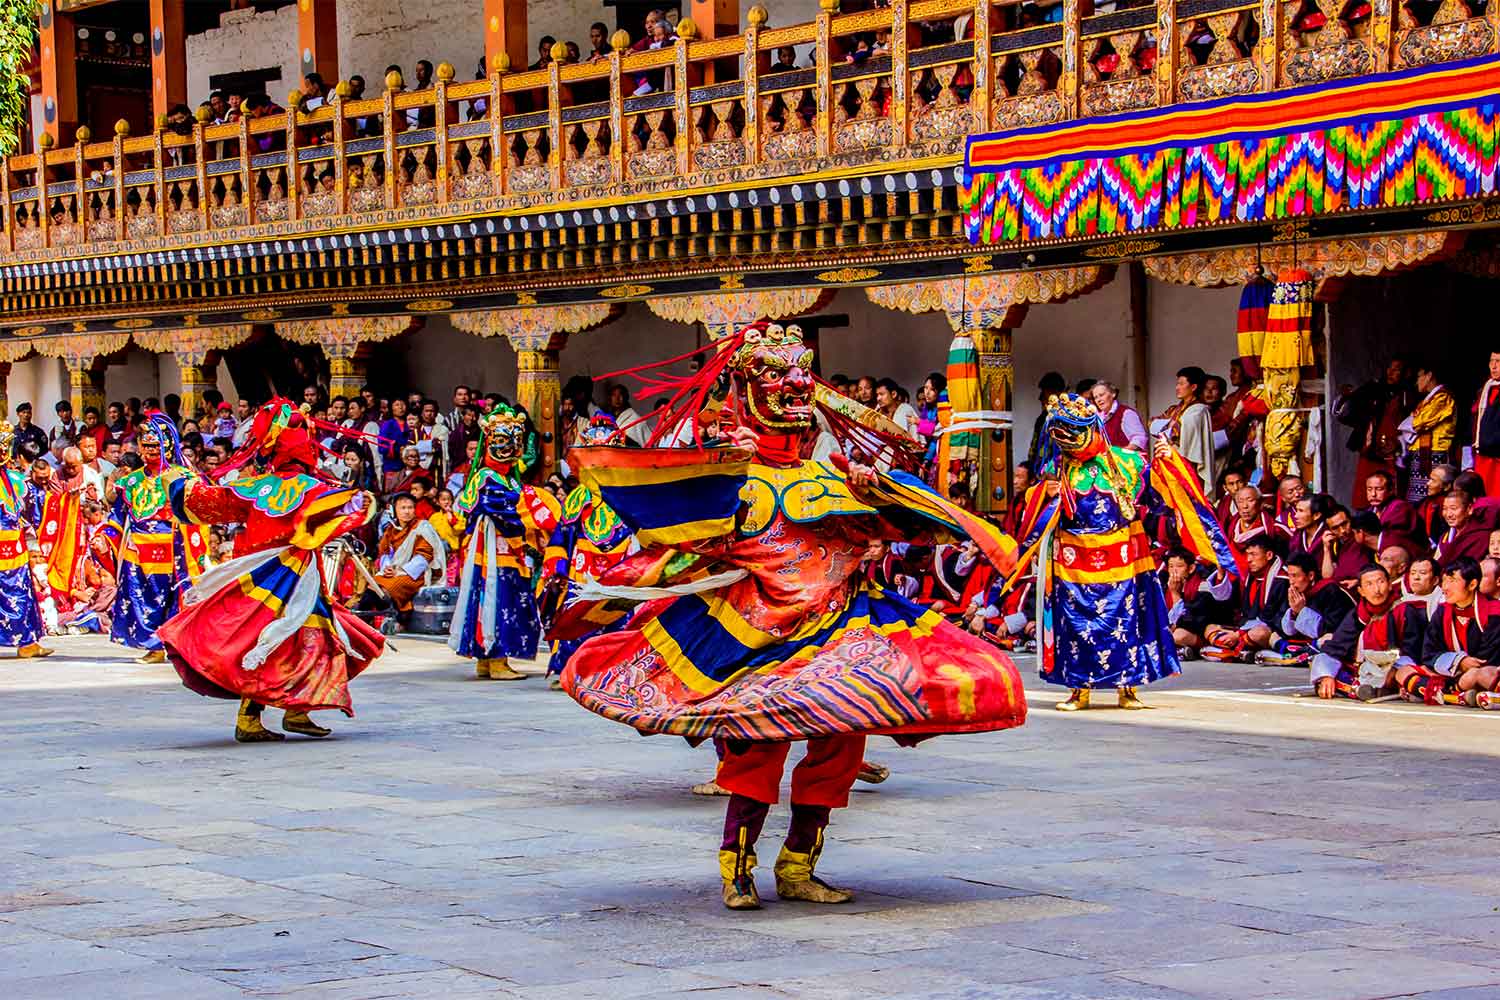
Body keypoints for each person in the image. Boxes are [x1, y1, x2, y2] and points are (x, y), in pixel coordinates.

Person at [560, 321, 1027, 910]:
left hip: (841, 632)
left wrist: (877, 492)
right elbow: (680, 551)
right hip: (759, 636)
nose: (797, 384)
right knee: (759, 750)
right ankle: (737, 869)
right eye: (777, 374)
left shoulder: (833, 475)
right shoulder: (731, 480)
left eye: (802, 371)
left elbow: (904, 530)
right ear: (747, 388)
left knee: (841, 744)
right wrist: (611, 590)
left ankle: (799, 865)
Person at [160, 400, 385, 742]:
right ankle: (257, 717)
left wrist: (182, 483)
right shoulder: (311, 488)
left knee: (275, 640)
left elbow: (209, 502)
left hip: (265, 579)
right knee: (292, 641)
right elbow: (343, 509)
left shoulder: (253, 487)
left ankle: (295, 710)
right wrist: (360, 501)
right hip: (289, 577)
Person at [1020, 393, 1237, 708]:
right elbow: (1039, 507)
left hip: (1122, 561)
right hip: (1073, 563)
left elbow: (1159, 501)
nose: (1068, 440)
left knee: (1126, 624)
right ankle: (1079, 690)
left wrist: (1168, 461)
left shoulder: (1128, 462)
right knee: (1076, 629)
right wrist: (1044, 493)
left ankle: (1128, 689)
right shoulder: (1058, 466)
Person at [449, 403, 560, 681]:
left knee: (501, 599)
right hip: (494, 551)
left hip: (505, 551)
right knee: (497, 599)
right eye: (501, 441)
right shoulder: (486, 477)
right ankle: (496, 660)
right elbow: (503, 509)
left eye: (514, 442)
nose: (509, 448)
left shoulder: (506, 479)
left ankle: (487, 661)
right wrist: (534, 509)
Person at [102, 413, 211, 662]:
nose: (150, 450)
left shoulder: (184, 477)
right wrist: (104, 538)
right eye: (146, 445)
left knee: (173, 600)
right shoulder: (130, 481)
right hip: (138, 553)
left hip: (173, 551)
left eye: (155, 445)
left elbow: (197, 514)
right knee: (140, 600)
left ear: (168, 446)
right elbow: (117, 517)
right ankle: (153, 646)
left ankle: (174, 645)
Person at [1309, 564, 1427, 700]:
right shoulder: (1357, 614)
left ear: (1390, 585)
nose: (1376, 589)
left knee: (1404, 675)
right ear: (1361, 591)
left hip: (1392, 669)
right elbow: (1336, 647)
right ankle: (1360, 688)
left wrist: (1393, 670)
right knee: (1325, 669)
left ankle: (1361, 688)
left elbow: (1413, 652)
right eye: (1369, 584)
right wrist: (1326, 675)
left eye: (1380, 582)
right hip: (1361, 669)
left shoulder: (1404, 611)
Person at [1412, 557, 1500, 705]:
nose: (1445, 587)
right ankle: (1459, 694)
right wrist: (1459, 662)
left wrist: (1462, 667)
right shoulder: (1442, 612)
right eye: (1444, 581)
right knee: (1404, 670)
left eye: (1452, 581)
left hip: (1483, 672)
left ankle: (1450, 694)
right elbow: (1428, 653)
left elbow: (1485, 661)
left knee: (1481, 674)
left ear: (1472, 584)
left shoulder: (1494, 612)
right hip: (1454, 673)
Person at [0, 422, 52, 657]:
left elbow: (27, 517)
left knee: (21, 595)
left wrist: (32, 545)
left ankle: (28, 643)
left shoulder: (16, 480)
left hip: (15, 549)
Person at [1336, 357, 1411, 507]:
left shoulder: (1407, 395)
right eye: (1389, 368)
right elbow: (1347, 414)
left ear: (1405, 373)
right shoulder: (1373, 388)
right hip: (1371, 448)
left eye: (1396, 370)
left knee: (1391, 487)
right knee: (1367, 485)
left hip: (1393, 449)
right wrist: (1348, 397)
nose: (1391, 372)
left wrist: (1399, 443)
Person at [1203, 534, 1288, 661]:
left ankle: (1232, 651)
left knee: (1259, 634)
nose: (1248, 560)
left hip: (1268, 629)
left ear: (1269, 555)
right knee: (1209, 628)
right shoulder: (1249, 577)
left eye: (1254, 554)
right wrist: (1221, 573)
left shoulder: (1281, 579)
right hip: (1244, 629)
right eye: (1247, 554)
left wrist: (1238, 634)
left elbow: (1269, 617)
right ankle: (1240, 651)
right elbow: (1229, 604)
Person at [368, 494, 440, 623]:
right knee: (373, 586)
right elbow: (384, 552)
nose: (407, 511)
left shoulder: (422, 528)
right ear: (394, 510)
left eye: (410, 508)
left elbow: (424, 557)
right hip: (393, 571)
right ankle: (364, 621)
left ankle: (398, 619)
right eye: (403, 508)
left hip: (415, 574)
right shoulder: (391, 529)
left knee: (391, 588)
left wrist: (400, 571)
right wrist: (387, 568)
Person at [1151, 366, 1215, 498]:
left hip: (1186, 464)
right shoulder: (1175, 409)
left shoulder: (1198, 411)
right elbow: (1153, 423)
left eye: (1181, 384)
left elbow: (1188, 445)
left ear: (1193, 387)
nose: (1177, 387)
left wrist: (1170, 428)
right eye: (1177, 384)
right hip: (1169, 460)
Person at [1400, 364, 1456, 503]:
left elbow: (1418, 422)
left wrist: (1413, 419)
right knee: (1417, 498)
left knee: (1434, 496)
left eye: (1419, 377)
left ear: (1429, 375)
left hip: (1436, 455)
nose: (1416, 382)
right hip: (1421, 455)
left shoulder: (1443, 397)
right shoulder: (1427, 400)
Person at [1320, 505, 1372, 589]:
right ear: (1329, 530)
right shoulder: (1335, 546)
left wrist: (1359, 581)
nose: (1342, 531)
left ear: (1351, 520)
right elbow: (1327, 577)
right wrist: (1326, 549)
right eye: (1335, 528)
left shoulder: (1363, 538)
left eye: (1344, 524)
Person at [1434, 489, 1489, 568]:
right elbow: (1436, 564)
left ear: (1469, 509)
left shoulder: (1481, 536)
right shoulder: (1445, 537)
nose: (1448, 514)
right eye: (1445, 509)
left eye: (1453, 508)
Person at [1089, 380, 1147, 451]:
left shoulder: (1126, 413)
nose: (1099, 400)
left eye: (1101, 395)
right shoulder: (1098, 417)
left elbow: (1139, 439)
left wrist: (1120, 452)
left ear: (1113, 394)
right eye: (1095, 397)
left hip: (1126, 457)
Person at [1473, 351, 1500, 498]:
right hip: (1483, 455)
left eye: (1498, 361)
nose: (1494, 366)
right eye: (1491, 361)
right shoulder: (1486, 389)